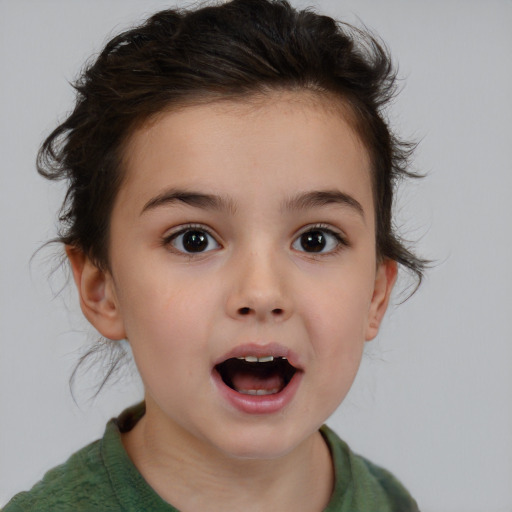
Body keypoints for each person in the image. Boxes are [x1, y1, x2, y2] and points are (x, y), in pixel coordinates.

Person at [4, 0, 424, 510]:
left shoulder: (387, 499)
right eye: (193, 239)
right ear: (102, 288)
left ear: (377, 293)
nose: (262, 293)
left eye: (315, 239)